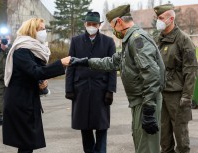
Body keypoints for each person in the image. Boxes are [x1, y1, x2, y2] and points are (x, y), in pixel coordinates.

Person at [70, 5, 165, 153]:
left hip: (146, 101)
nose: (114, 31)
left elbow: (151, 75)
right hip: (140, 100)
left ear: (119, 22)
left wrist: (148, 109)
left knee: (147, 147)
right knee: (141, 143)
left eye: (113, 26)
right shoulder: (129, 41)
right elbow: (113, 62)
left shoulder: (137, 40)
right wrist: (86, 62)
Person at [2, 18, 71, 153]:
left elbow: (34, 74)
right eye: (41, 29)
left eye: (45, 29)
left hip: (27, 100)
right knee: (26, 144)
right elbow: (35, 71)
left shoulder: (34, 49)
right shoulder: (21, 50)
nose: (44, 32)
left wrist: (41, 83)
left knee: (27, 144)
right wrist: (60, 63)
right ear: (31, 30)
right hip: (20, 102)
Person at [65, 11, 117, 153]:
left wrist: (110, 90)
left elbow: (112, 67)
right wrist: (68, 88)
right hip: (80, 89)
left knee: (101, 126)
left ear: (99, 25)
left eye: (94, 24)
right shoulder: (76, 41)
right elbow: (70, 65)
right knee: (84, 126)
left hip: (101, 90)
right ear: (85, 24)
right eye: (89, 24)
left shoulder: (108, 42)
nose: (91, 26)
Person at [153, 4, 198, 153]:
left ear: (171, 19)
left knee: (181, 139)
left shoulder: (184, 40)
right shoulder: (158, 39)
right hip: (161, 93)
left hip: (177, 95)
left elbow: (190, 70)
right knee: (164, 140)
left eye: (160, 18)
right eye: (157, 18)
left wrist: (187, 96)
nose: (157, 21)